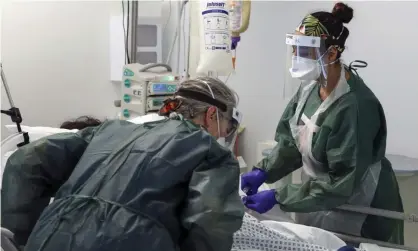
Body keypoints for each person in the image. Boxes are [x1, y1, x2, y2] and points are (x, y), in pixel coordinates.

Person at [1, 77, 245, 251]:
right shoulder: (210, 151)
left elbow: (26, 161)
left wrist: (24, 236)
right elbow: (211, 221)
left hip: (50, 236)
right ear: (212, 115)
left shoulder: (109, 130)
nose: (221, 136)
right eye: (226, 128)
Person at [241, 2, 404, 245]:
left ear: (332, 53)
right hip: (322, 197)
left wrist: (279, 196)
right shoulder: (309, 88)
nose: (297, 57)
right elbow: (292, 142)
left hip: (360, 204)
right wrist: (264, 170)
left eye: (304, 50)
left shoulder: (355, 107)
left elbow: (341, 181)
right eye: (295, 49)